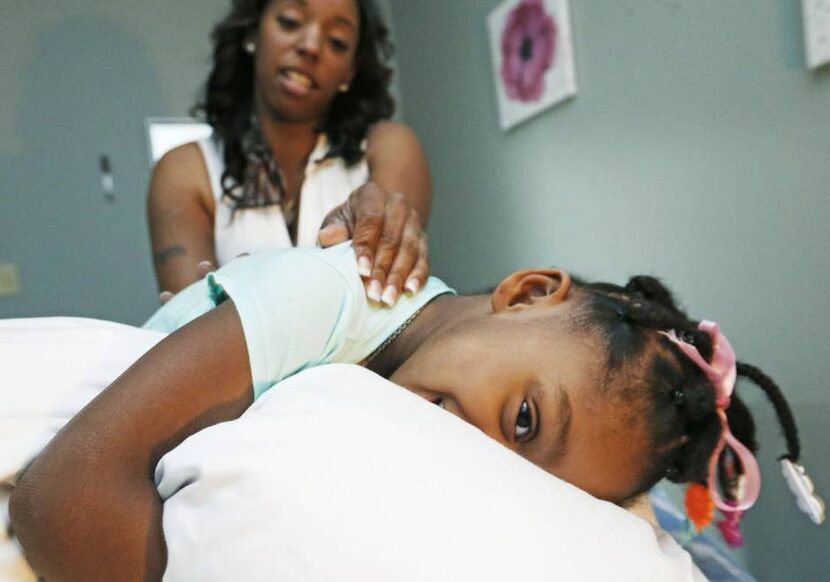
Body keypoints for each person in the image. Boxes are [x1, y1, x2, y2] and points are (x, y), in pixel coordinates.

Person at [9, 243, 821, 581]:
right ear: (529, 292)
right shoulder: (334, 293)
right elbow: (63, 503)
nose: (470, 456)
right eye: (526, 423)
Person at [148, 0, 431, 306]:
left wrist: (250, 303)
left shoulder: (390, 147)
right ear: (252, 32)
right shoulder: (183, 170)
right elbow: (191, 325)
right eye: (290, 22)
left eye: (336, 41)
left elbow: (380, 304)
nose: (311, 46)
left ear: (349, 72)